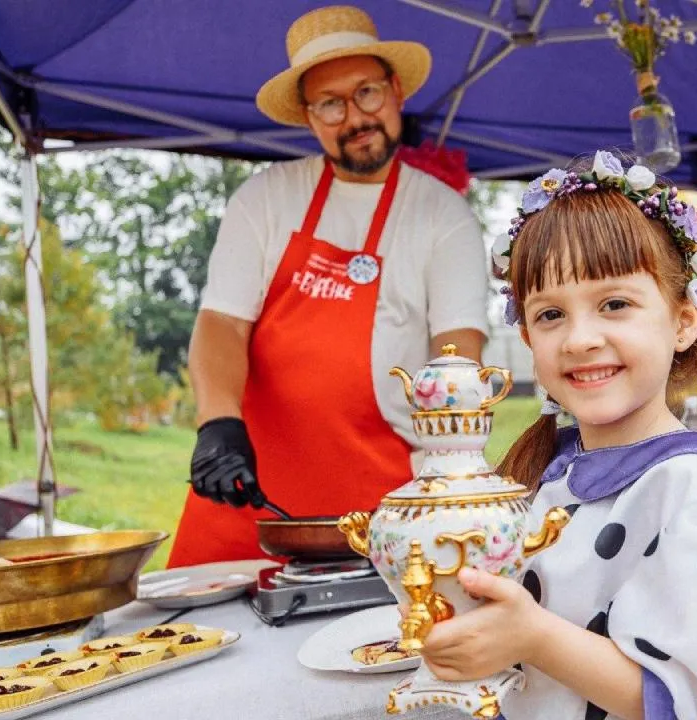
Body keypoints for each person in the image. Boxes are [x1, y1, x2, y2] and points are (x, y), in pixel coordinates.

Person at [421, 151, 697, 719]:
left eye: (614, 304)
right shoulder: (552, 476)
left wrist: (532, 636)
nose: (579, 338)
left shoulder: (696, 494)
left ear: (684, 320)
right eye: (549, 315)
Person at [167, 6, 488, 568]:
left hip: (380, 514)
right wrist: (217, 423)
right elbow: (220, 322)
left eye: (366, 92)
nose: (355, 117)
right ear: (309, 118)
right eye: (331, 104)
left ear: (395, 91)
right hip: (246, 495)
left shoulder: (443, 216)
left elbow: (457, 355)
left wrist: (451, 471)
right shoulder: (265, 200)